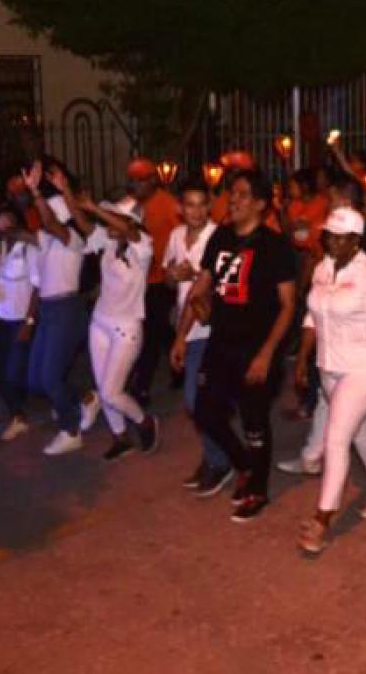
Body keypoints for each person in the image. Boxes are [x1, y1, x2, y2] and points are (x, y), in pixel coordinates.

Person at [171, 169, 298, 522]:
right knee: (204, 411)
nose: (234, 200)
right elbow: (201, 287)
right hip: (221, 343)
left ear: (260, 203)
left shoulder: (274, 247)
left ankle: (258, 488)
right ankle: (243, 465)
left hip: (256, 348)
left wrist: (267, 354)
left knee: (254, 421)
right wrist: (181, 335)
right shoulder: (222, 237)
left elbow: (288, 305)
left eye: (242, 195)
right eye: (232, 194)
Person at [294, 206, 366, 553]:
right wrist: (301, 358)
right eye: (329, 235)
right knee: (360, 433)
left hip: (364, 366)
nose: (334, 243)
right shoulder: (322, 268)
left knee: (337, 438)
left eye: (342, 238)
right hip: (328, 366)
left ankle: (322, 520)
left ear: (357, 240)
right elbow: (313, 317)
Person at [74, 193, 160, 461]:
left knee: (111, 391)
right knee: (104, 385)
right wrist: (66, 191)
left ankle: (144, 421)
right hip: (100, 322)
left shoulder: (142, 246)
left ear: (129, 222)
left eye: (114, 217)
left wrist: (93, 207)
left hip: (127, 328)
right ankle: (119, 436)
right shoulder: (109, 241)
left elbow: (127, 230)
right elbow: (83, 224)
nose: (106, 223)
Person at [165, 179, 232, 496]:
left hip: (209, 329)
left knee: (196, 399)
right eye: (189, 204)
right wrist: (172, 275)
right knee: (200, 401)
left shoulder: (219, 237)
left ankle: (221, 460)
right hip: (186, 327)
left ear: (210, 207)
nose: (195, 211)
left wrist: (192, 275)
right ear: (180, 208)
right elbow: (168, 278)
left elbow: (220, 285)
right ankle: (215, 456)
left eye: (201, 204)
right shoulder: (177, 235)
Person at [24, 161, 96, 456]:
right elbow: (29, 232)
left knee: (50, 377)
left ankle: (71, 429)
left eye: (51, 210)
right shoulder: (44, 239)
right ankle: (84, 397)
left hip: (67, 309)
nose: (45, 217)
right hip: (49, 312)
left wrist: (35, 193)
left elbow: (51, 223)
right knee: (35, 379)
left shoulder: (74, 238)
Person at [126, 158, 182, 408]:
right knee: (160, 331)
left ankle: (142, 387)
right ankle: (179, 366)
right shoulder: (133, 206)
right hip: (140, 280)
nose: (135, 185)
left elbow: (182, 239)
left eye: (140, 180)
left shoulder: (168, 205)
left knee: (149, 334)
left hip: (161, 280)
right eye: (132, 180)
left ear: (152, 180)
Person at [0, 206, 39, 442]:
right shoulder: (1, 248)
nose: (4, 230)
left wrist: (29, 321)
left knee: (16, 371)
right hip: (0, 315)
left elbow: (38, 287)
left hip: (20, 317)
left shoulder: (28, 248)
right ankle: (18, 415)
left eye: (8, 224)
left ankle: (65, 399)